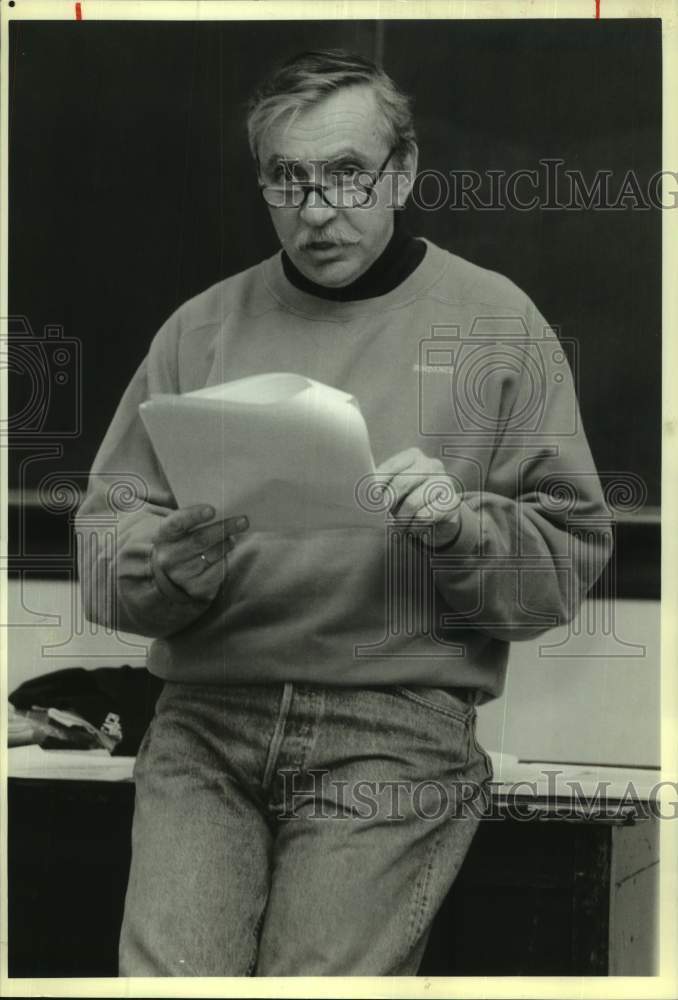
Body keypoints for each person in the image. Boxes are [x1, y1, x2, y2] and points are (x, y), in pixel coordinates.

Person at [76, 49, 613, 976]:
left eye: (348, 174)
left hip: (394, 732)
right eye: (288, 177)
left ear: (402, 173)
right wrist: (162, 567)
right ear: (263, 182)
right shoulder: (198, 329)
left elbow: (563, 565)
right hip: (206, 720)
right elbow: (101, 540)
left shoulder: (498, 324)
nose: (317, 209)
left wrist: (460, 527)